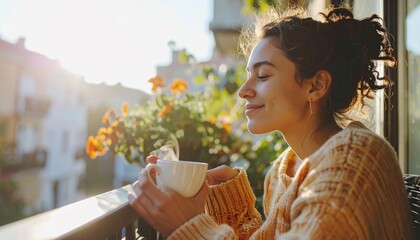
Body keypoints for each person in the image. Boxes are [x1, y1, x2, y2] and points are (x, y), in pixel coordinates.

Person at [128, 5, 414, 239]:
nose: (243, 91)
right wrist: (233, 205)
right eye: (248, 76)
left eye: (262, 76)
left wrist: (187, 226)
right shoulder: (282, 172)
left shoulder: (355, 161)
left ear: (315, 86)